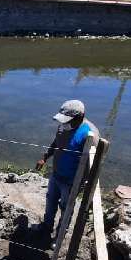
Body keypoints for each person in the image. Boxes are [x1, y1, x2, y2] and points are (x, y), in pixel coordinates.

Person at [35, 100, 99, 239]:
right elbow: (56, 142)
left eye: (67, 120)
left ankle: (59, 236)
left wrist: (85, 184)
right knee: (50, 201)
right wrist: (45, 157)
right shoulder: (64, 126)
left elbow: (93, 164)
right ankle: (46, 226)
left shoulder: (90, 135)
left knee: (66, 209)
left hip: (71, 182)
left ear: (80, 117)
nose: (64, 123)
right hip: (56, 175)